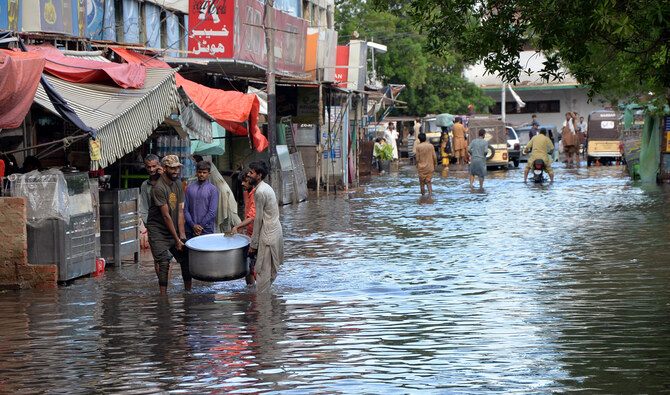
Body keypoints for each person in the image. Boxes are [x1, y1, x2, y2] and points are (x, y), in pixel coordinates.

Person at [146, 155, 191, 295]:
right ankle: (163, 296)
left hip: (173, 228)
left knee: (185, 256)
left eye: (177, 168)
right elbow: (166, 216)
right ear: (164, 168)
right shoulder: (158, 188)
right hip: (158, 230)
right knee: (164, 261)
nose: (176, 171)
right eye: (172, 168)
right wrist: (176, 239)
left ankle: (188, 292)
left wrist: (181, 237)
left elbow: (179, 212)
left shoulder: (178, 184)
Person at [247, 161, 283, 293]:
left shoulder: (260, 192)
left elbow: (258, 219)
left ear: (259, 175)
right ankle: (269, 308)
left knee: (262, 277)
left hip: (268, 235)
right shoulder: (266, 187)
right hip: (274, 232)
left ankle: (264, 310)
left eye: (251, 173)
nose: (248, 175)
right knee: (268, 275)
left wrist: (253, 244)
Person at [232, 168, 257, 285]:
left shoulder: (257, 194)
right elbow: (247, 213)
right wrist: (242, 228)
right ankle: (251, 293)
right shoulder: (246, 193)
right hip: (250, 233)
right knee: (249, 267)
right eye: (242, 181)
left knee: (256, 267)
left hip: (258, 233)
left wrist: (237, 226)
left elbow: (252, 216)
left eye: (245, 181)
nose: (242, 184)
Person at [184, 161, 218, 239]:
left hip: (206, 229)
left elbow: (212, 212)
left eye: (204, 172)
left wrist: (199, 227)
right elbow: (186, 210)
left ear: (209, 174)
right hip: (190, 229)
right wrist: (193, 225)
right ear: (196, 172)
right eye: (199, 172)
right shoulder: (189, 188)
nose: (201, 174)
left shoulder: (212, 189)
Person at [139, 154, 163, 225]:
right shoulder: (145, 185)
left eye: (154, 166)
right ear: (145, 167)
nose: (151, 169)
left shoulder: (166, 181)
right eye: (149, 167)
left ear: (158, 165)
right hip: (153, 223)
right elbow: (144, 206)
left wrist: (164, 177)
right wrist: (147, 223)